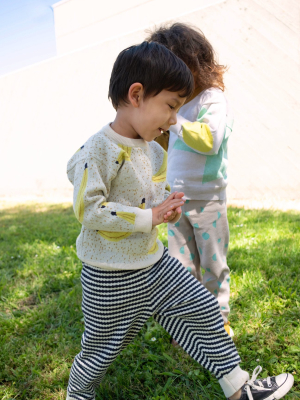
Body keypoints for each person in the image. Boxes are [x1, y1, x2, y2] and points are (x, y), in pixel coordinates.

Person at [66, 41, 293, 400]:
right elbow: (89, 210)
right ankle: (78, 396)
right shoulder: (97, 149)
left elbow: (149, 201)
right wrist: (150, 215)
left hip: (154, 264)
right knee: (100, 350)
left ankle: (238, 389)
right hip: (107, 275)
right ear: (136, 94)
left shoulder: (155, 151)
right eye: (171, 106)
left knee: (202, 306)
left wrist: (163, 207)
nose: (174, 119)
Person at [147, 23, 234, 336]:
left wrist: (174, 120)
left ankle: (219, 319)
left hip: (208, 199)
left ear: (193, 64)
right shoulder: (177, 107)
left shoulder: (212, 99)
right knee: (182, 267)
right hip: (177, 200)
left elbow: (209, 139)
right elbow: (170, 149)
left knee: (213, 266)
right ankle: (194, 320)